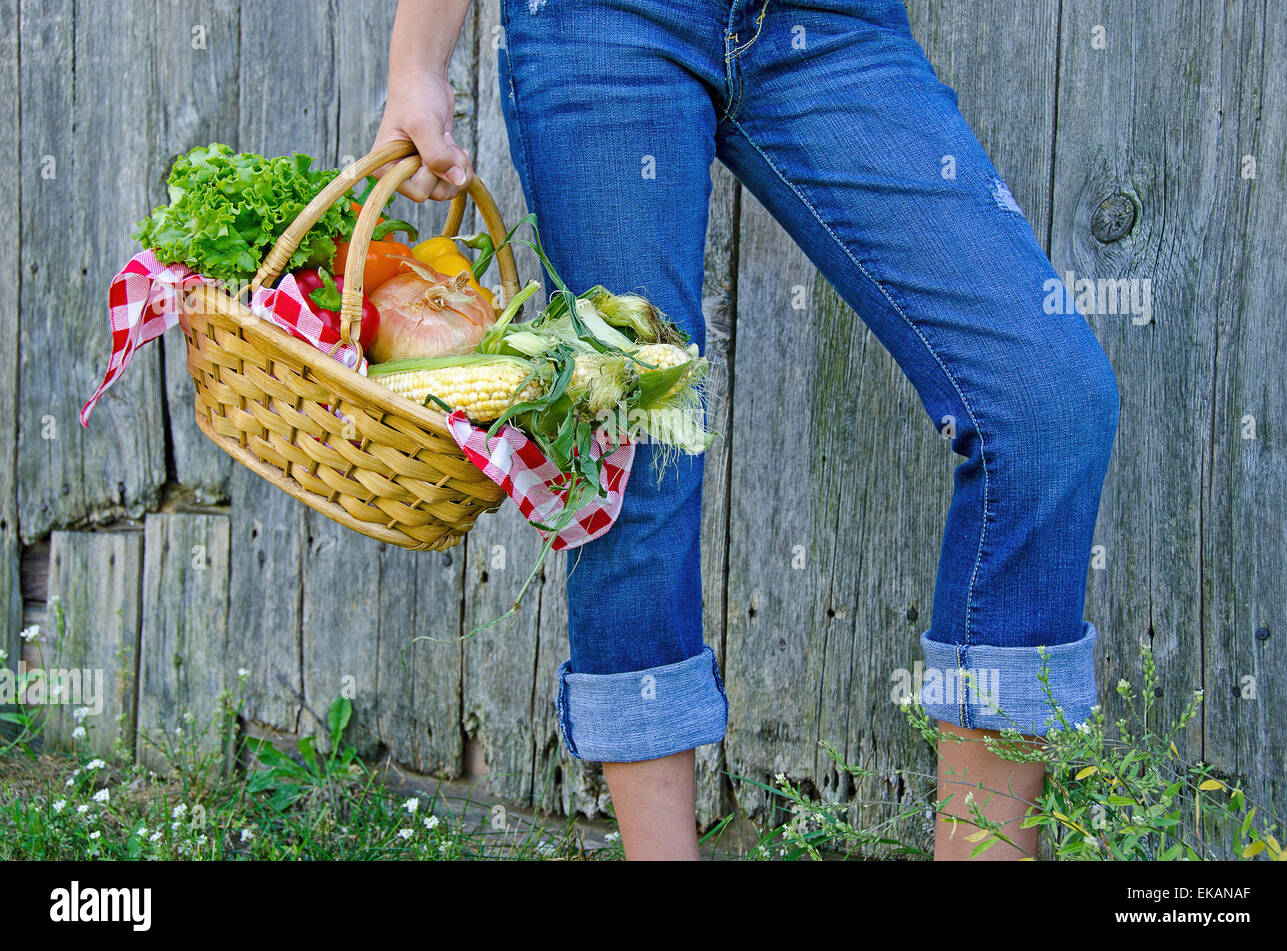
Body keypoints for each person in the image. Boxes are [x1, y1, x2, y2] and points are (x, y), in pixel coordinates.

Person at [372, 0, 1120, 861]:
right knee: (637, 433)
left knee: (1046, 399)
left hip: (830, 25)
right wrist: (419, 58)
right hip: (606, 25)